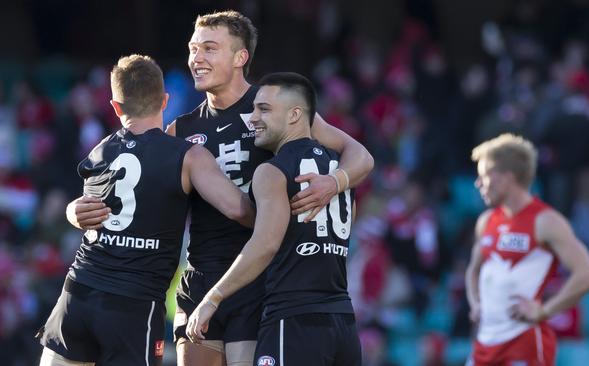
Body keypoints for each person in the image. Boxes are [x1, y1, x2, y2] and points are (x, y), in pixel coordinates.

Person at [67, 10, 373, 366]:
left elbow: (359, 154)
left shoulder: (273, 108)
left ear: (240, 57)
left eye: (210, 48)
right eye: (193, 48)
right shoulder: (179, 130)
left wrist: (335, 182)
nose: (197, 58)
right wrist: (76, 211)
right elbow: (137, 202)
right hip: (200, 278)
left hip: (258, 280)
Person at [38, 54, 256, 366]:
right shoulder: (187, 156)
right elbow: (237, 209)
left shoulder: (100, 150)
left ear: (115, 107)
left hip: (78, 293)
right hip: (133, 306)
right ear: (165, 100)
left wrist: (72, 212)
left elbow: (86, 212)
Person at [187, 72, 362, 366]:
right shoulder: (337, 171)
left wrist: (212, 298)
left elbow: (265, 244)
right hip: (343, 321)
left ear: (295, 115)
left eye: (264, 109)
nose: (253, 118)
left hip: (293, 321)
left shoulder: (271, 171)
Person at [464, 133, 589, 366]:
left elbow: (588, 275)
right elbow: (473, 271)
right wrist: (475, 303)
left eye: (485, 176)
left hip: (523, 344)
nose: (478, 184)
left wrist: (544, 311)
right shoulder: (486, 221)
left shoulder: (545, 221)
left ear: (507, 178)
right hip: (485, 344)